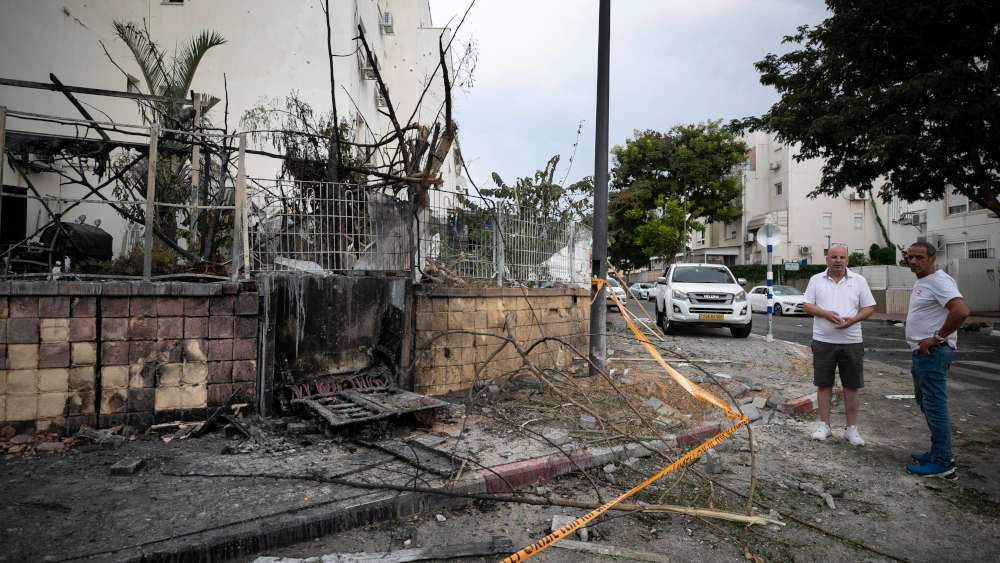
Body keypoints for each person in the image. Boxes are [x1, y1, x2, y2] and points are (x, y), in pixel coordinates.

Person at [903, 241, 970, 478]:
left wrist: (936, 338)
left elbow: (961, 311)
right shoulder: (925, 281)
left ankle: (943, 463)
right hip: (923, 354)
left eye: (919, 257)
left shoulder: (939, 281)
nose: (913, 261)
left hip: (933, 354)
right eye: (910, 257)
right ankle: (937, 452)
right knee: (926, 403)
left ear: (932, 258)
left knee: (934, 406)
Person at [802, 245, 876, 445]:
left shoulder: (859, 281)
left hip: (851, 341)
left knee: (852, 386)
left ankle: (851, 429)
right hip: (823, 341)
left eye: (842, 257)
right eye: (834, 257)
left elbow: (869, 307)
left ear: (847, 260)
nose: (838, 260)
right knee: (823, 384)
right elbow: (807, 305)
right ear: (827, 259)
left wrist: (854, 320)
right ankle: (824, 425)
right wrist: (825, 313)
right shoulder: (816, 280)